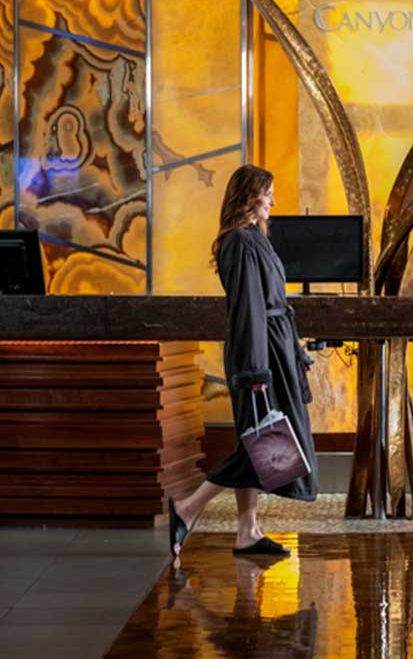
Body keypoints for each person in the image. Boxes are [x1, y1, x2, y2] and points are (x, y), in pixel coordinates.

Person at [168, 164, 318, 560]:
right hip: (259, 353)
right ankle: (187, 507)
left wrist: (295, 353)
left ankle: (247, 531)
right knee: (264, 445)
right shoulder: (238, 242)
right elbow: (248, 308)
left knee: (257, 436)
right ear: (249, 196)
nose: (273, 200)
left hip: (272, 349)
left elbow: (272, 305)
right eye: (268, 192)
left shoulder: (255, 238)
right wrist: (255, 370)